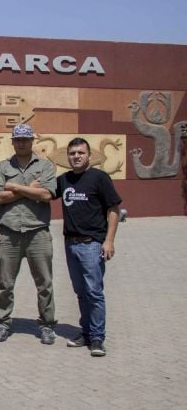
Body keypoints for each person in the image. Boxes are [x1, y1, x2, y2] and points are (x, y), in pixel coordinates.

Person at [0, 124, 57, 344]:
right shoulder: (2, 166)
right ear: (12, 142)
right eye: (17, 139)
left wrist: (15, 187)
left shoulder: (45, 166)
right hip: (9, 233)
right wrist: (30, 188)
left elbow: (46, 195)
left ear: (31, 141)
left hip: (38, 232)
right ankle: (2, 322)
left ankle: (47, 325)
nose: (21, 143)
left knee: (44, 283)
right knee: (5, 283)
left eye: (25, 139)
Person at [55, 138, 121, 357]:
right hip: (70, 244)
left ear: (89, 155)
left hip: (92, 244)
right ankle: (85, 333)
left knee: (94, 292)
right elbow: (45, 193)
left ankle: (97, 338)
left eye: (80, 153)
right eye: (72, 153)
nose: (76, 156)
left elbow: (113, 209)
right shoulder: (64, 180)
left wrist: (109, 240)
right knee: (81, 292)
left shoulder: (99, 178)